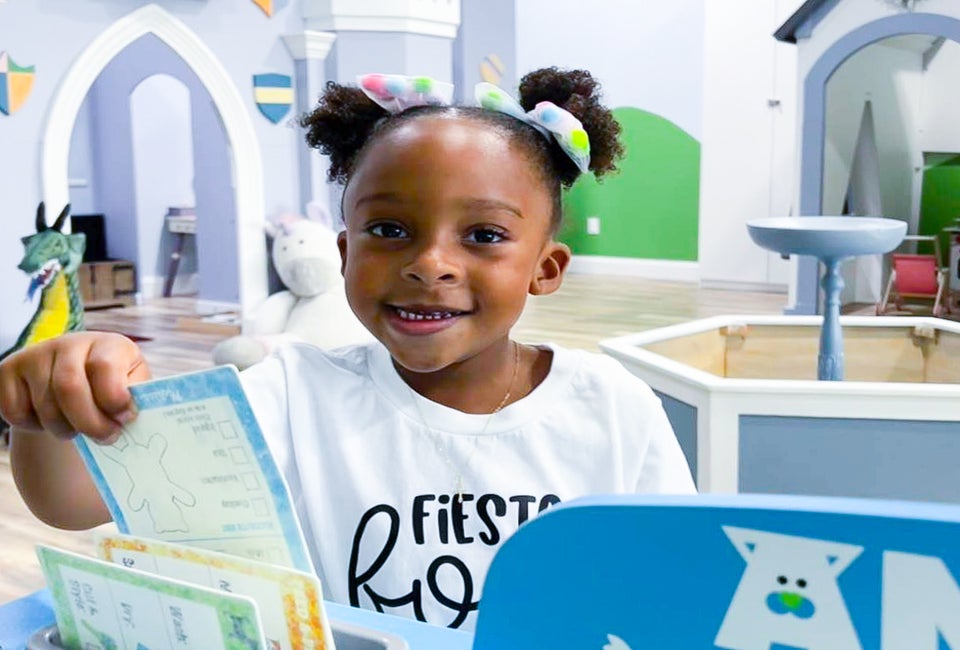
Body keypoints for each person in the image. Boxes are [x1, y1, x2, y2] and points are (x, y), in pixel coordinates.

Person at [0, 67, 695, 630]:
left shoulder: (612, 407)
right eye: (389, 229)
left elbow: (671, 586)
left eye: (483, 236)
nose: (430, 263)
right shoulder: (291, 393)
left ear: (546, 268)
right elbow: (70, 502)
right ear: (343, 252)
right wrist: (56, 398)